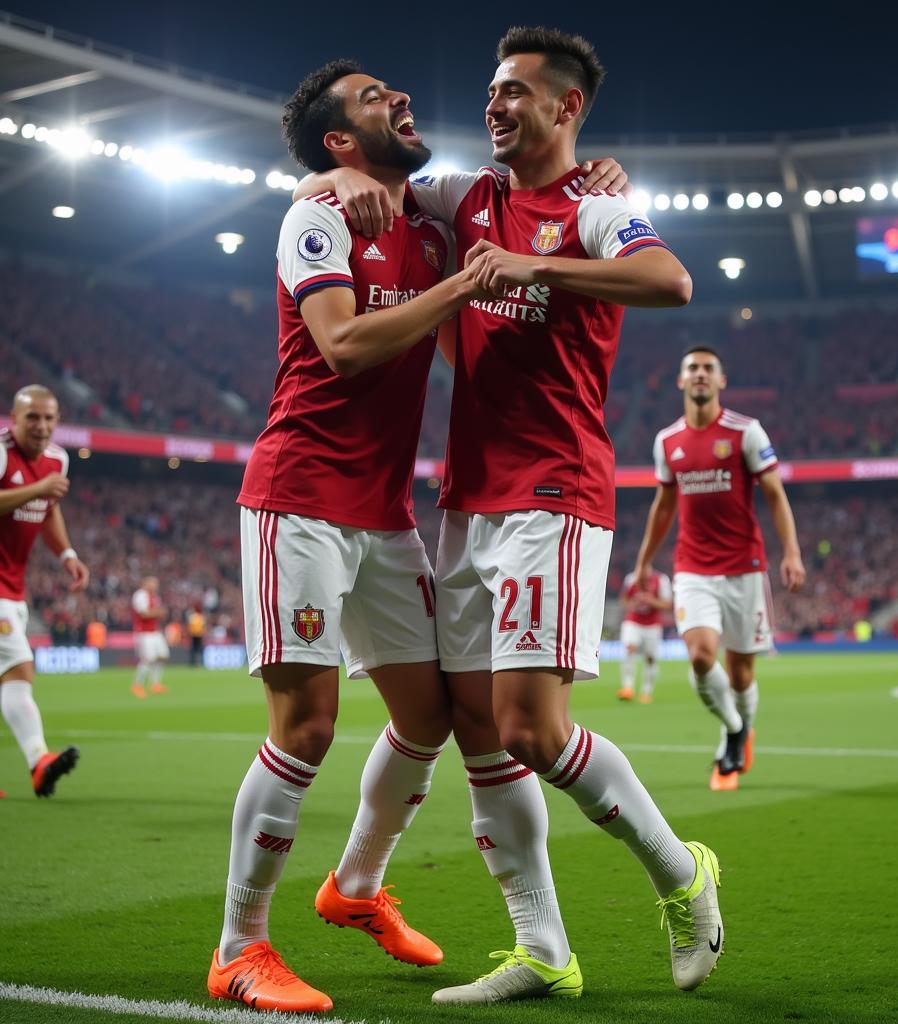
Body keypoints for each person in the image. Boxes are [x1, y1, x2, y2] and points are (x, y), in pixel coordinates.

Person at [305, 27, 724, 1005]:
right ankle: (541, 948)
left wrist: (540, 269)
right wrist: (327, 188)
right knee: (473, 725)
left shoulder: (596, 207)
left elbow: (671, 281)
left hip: (553, 495)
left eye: (515, 95)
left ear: (566, 108)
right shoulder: (466, 198)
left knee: (533, 729)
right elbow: (337, 185)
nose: (493, 107)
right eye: (490, 93)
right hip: (465, 500)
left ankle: (681, 873)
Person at [209, 58, 625, 1014]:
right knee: (306, 724)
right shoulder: (314, 217)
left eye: (394, 90)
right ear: (339, 143)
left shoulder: (428, 227)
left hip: (387, 513)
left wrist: (604, 178)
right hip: (300, 496)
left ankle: (354, 889)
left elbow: (529, 203)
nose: (400, 97)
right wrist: (465, 280)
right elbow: (344, 343)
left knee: (435, 715)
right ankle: (240, 947)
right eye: (371, 101)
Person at [634, 345, 806, 791]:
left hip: (745, 569)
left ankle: (740, 732)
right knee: (700, 656)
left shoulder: (746, 432)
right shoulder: (667, 442)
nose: (700, 375)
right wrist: (643, 560)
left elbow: (773, 493)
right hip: (693, 568)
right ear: (680, 380)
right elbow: (664, 504)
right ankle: (733, 730)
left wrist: (791, 552)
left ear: (721, 381)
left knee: (743, 673)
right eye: (692, 368)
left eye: (709, 369)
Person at [0, 385, 89, 797]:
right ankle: (39, 761)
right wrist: (38, 489)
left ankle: (38, 762)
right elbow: (40, 495)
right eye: (32, 417)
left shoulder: (57, 459)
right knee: (19, 671)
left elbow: (48, 509)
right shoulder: (2, 453)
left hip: (13, 589)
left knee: (13, 676)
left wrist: (66, 553)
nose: (41, 426)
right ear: (14, 419)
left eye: (49, 418)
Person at [616, 567, 673, 704]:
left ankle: (646, 692)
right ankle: (627, 688)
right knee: (629, 648)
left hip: (652, 625)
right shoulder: (631, 578)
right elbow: (623, 599)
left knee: (650, 658)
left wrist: (650, 601)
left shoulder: (661, 580)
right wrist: (632, 605)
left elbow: (668, 605)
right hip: (633, 621)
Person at [131, 575, 169, 697]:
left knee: (162, 656)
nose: (155, 585)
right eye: (152, 583)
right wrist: (159, 612)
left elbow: (154, 613)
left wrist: (158, 613)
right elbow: (143, 614)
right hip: (144, 633)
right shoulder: (140, 595)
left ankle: (155, 684)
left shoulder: (155, 597)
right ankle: (137, 686)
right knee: (147, 659)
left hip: (155, 631)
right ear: (145, 583)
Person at [187, 603, 206, 667]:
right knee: (197, 649)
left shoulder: (193, 617)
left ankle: (195, 663)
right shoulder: (200, 617)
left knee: (194, 649)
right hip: (198, 635)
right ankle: (197, 663)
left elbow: (190, 627)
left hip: (195, 635)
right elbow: (203, 627)